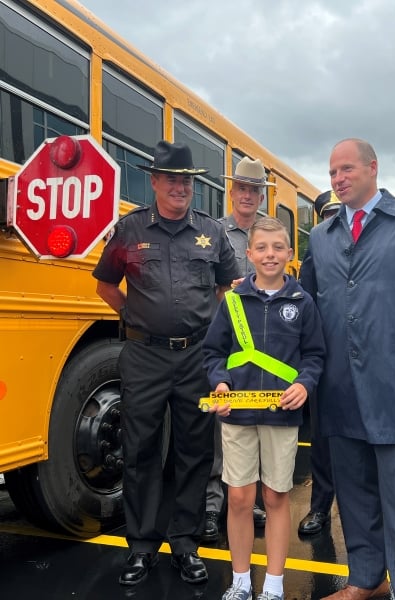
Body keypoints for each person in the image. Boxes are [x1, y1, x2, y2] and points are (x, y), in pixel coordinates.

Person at [301, 138, 395, 600]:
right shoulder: (321, 236)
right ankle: (365, 579)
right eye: (332, 173)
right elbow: (304, 306)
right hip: (339, 385)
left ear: (373, 168)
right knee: (353, 493)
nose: (338, 179)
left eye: (346, 169)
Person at [93, 140, 240, 586]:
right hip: (144, 356)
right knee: (139, 451)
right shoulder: (130, 229)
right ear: (154, 181)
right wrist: (137, 318)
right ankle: (140, 546)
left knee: (193, 452)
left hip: (196, 356)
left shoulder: (212, 232)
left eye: (187, 181)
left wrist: (204, 330)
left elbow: (225, 287)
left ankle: (185, 543)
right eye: (171, 179)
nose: (180, 187)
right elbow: (105, 285)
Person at [202, 216, 326, 600]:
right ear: (249, 253)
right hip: (236, 415)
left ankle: (273, 584)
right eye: (262, 248)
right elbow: (213, 352)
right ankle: (240, 581)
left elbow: (315, 355)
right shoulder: (234, 301)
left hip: (282, 414)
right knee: (239, 498)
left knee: (275, 497)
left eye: (278, 248)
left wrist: (304, 386)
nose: (270, 255)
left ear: (290, 255)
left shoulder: (302, 302)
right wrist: (219, 382)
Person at [202, 157, 273, 542]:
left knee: (256, 423)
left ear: (261, 195)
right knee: (221, 426)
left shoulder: (268, 232)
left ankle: (253, 502)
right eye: (241, 188)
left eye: (254, 189)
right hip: (226, 342)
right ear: (232, 192)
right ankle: (215, 506)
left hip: (261, 348)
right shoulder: (213, 232)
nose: (247, 195)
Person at [297, 190, 341, 536]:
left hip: (367, 359)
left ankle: (368, 508)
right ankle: (320, 506)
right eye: (328, 216)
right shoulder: (316, 252)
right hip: (326, 355)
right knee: (323, 437)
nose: (334, 222)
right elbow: (305, 303)